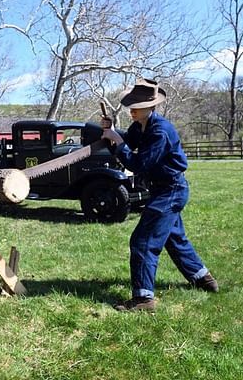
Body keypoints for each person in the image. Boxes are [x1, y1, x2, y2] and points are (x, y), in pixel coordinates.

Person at [100, 78, 219, 312]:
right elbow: (127, 140)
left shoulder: (160, 131)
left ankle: (144, 299)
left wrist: (119, 143)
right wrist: (110, 131)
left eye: (137, 106)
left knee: (143, 241)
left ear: (151, 106)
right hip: (162, 190)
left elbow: (138, 164)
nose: (132, 109)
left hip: (170, 191)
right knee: (174, 239)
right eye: (131, 105)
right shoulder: (140, 125)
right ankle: (203, 278)